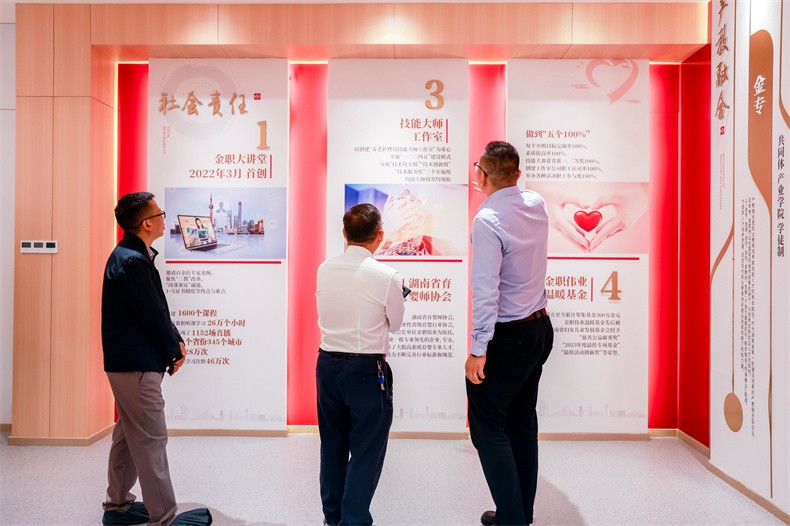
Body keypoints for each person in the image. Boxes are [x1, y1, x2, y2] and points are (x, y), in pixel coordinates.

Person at [466, 141, 554, 526]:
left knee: (487, 426)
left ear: (481, 175)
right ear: (518, 174)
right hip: (539, 329)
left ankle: (512, 519)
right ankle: (519, 513)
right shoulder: (537, 203)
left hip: (509, 335)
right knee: (521, 421)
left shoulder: (487, 220)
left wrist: (477, 349)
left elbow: (486, 290)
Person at [315, 203, 406, 526]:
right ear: (380, 235)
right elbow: (395, 324)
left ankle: (333, 517)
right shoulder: (387, 276)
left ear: (344, 234)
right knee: (367, 450)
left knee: (333, 447)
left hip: (327, 366)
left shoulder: (324, 268)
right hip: (366, 371)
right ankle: (353, 520)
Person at [101, 192, 187, 526]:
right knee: (151, 438)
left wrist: (174, 340)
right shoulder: (132, 260)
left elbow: (155, 308)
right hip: (136, 364)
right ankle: (164, 517)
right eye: (160, 214)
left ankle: (118, 506)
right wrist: (173, 349)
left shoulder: (132, 255)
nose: (165, 218)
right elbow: (151, 314)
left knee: (128, 434)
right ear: (147, 223)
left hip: (129, 362)